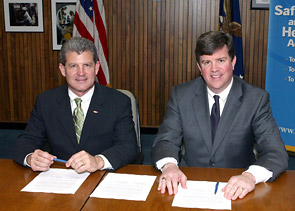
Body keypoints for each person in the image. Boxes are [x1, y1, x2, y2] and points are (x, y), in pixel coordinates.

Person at [151, 31, 288, 200]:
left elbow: (276, 152)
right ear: (199, 68)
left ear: (233, 61)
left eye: (221, 60)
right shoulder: (181, 95)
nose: (214, 69)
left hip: (238, 187)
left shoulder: (256, 99)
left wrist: (250, 176)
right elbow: (166, 140)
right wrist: (169, 166)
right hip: (188, 183)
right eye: (207, 62)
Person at [13, 37, 139, 173]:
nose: (81, 73)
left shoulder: (118, 101)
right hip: (60, 178)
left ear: (96, 68)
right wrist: (31, 158)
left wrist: (98, 161)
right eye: (73, 66)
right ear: (62, 69)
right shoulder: (46, 101)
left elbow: (128, 146)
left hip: (102, 176)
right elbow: (25, 141)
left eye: (87, 65)